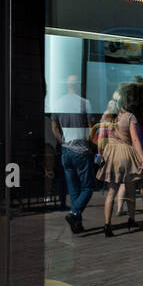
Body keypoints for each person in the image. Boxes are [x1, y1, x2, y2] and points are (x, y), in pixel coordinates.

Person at [96, 83, 143, 236]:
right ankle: (131, 219)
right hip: (126, 154)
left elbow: (101, 139)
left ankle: (107, 224)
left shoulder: (106, 116)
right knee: (130, 189)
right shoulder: (129, 116)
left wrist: (100, 155)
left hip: (110, 154)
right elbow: (135, 140)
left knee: (111, 191)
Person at [50, 74, 95, 233]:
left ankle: (77, 225)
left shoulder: (57, 103)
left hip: (66, 151)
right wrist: (90, 145)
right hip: (81, 150)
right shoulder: (85, 103)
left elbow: (54, 128)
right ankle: (74, 213)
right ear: (78, 86)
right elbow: (91, 128)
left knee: (74, 190)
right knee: (88, 187)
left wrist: (63, 142)